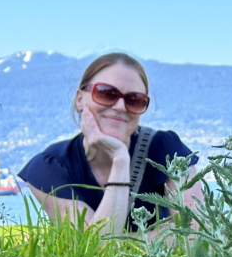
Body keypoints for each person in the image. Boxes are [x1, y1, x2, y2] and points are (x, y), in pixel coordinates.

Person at [19, 52, 204, 235]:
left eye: (134, 100)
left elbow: (199, 236)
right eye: (106, 93)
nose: (120, 107)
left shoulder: (166, 150)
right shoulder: (50, 167)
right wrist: (120, 159)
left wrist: (121, 243)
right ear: (79, 99)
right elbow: (97, 248)